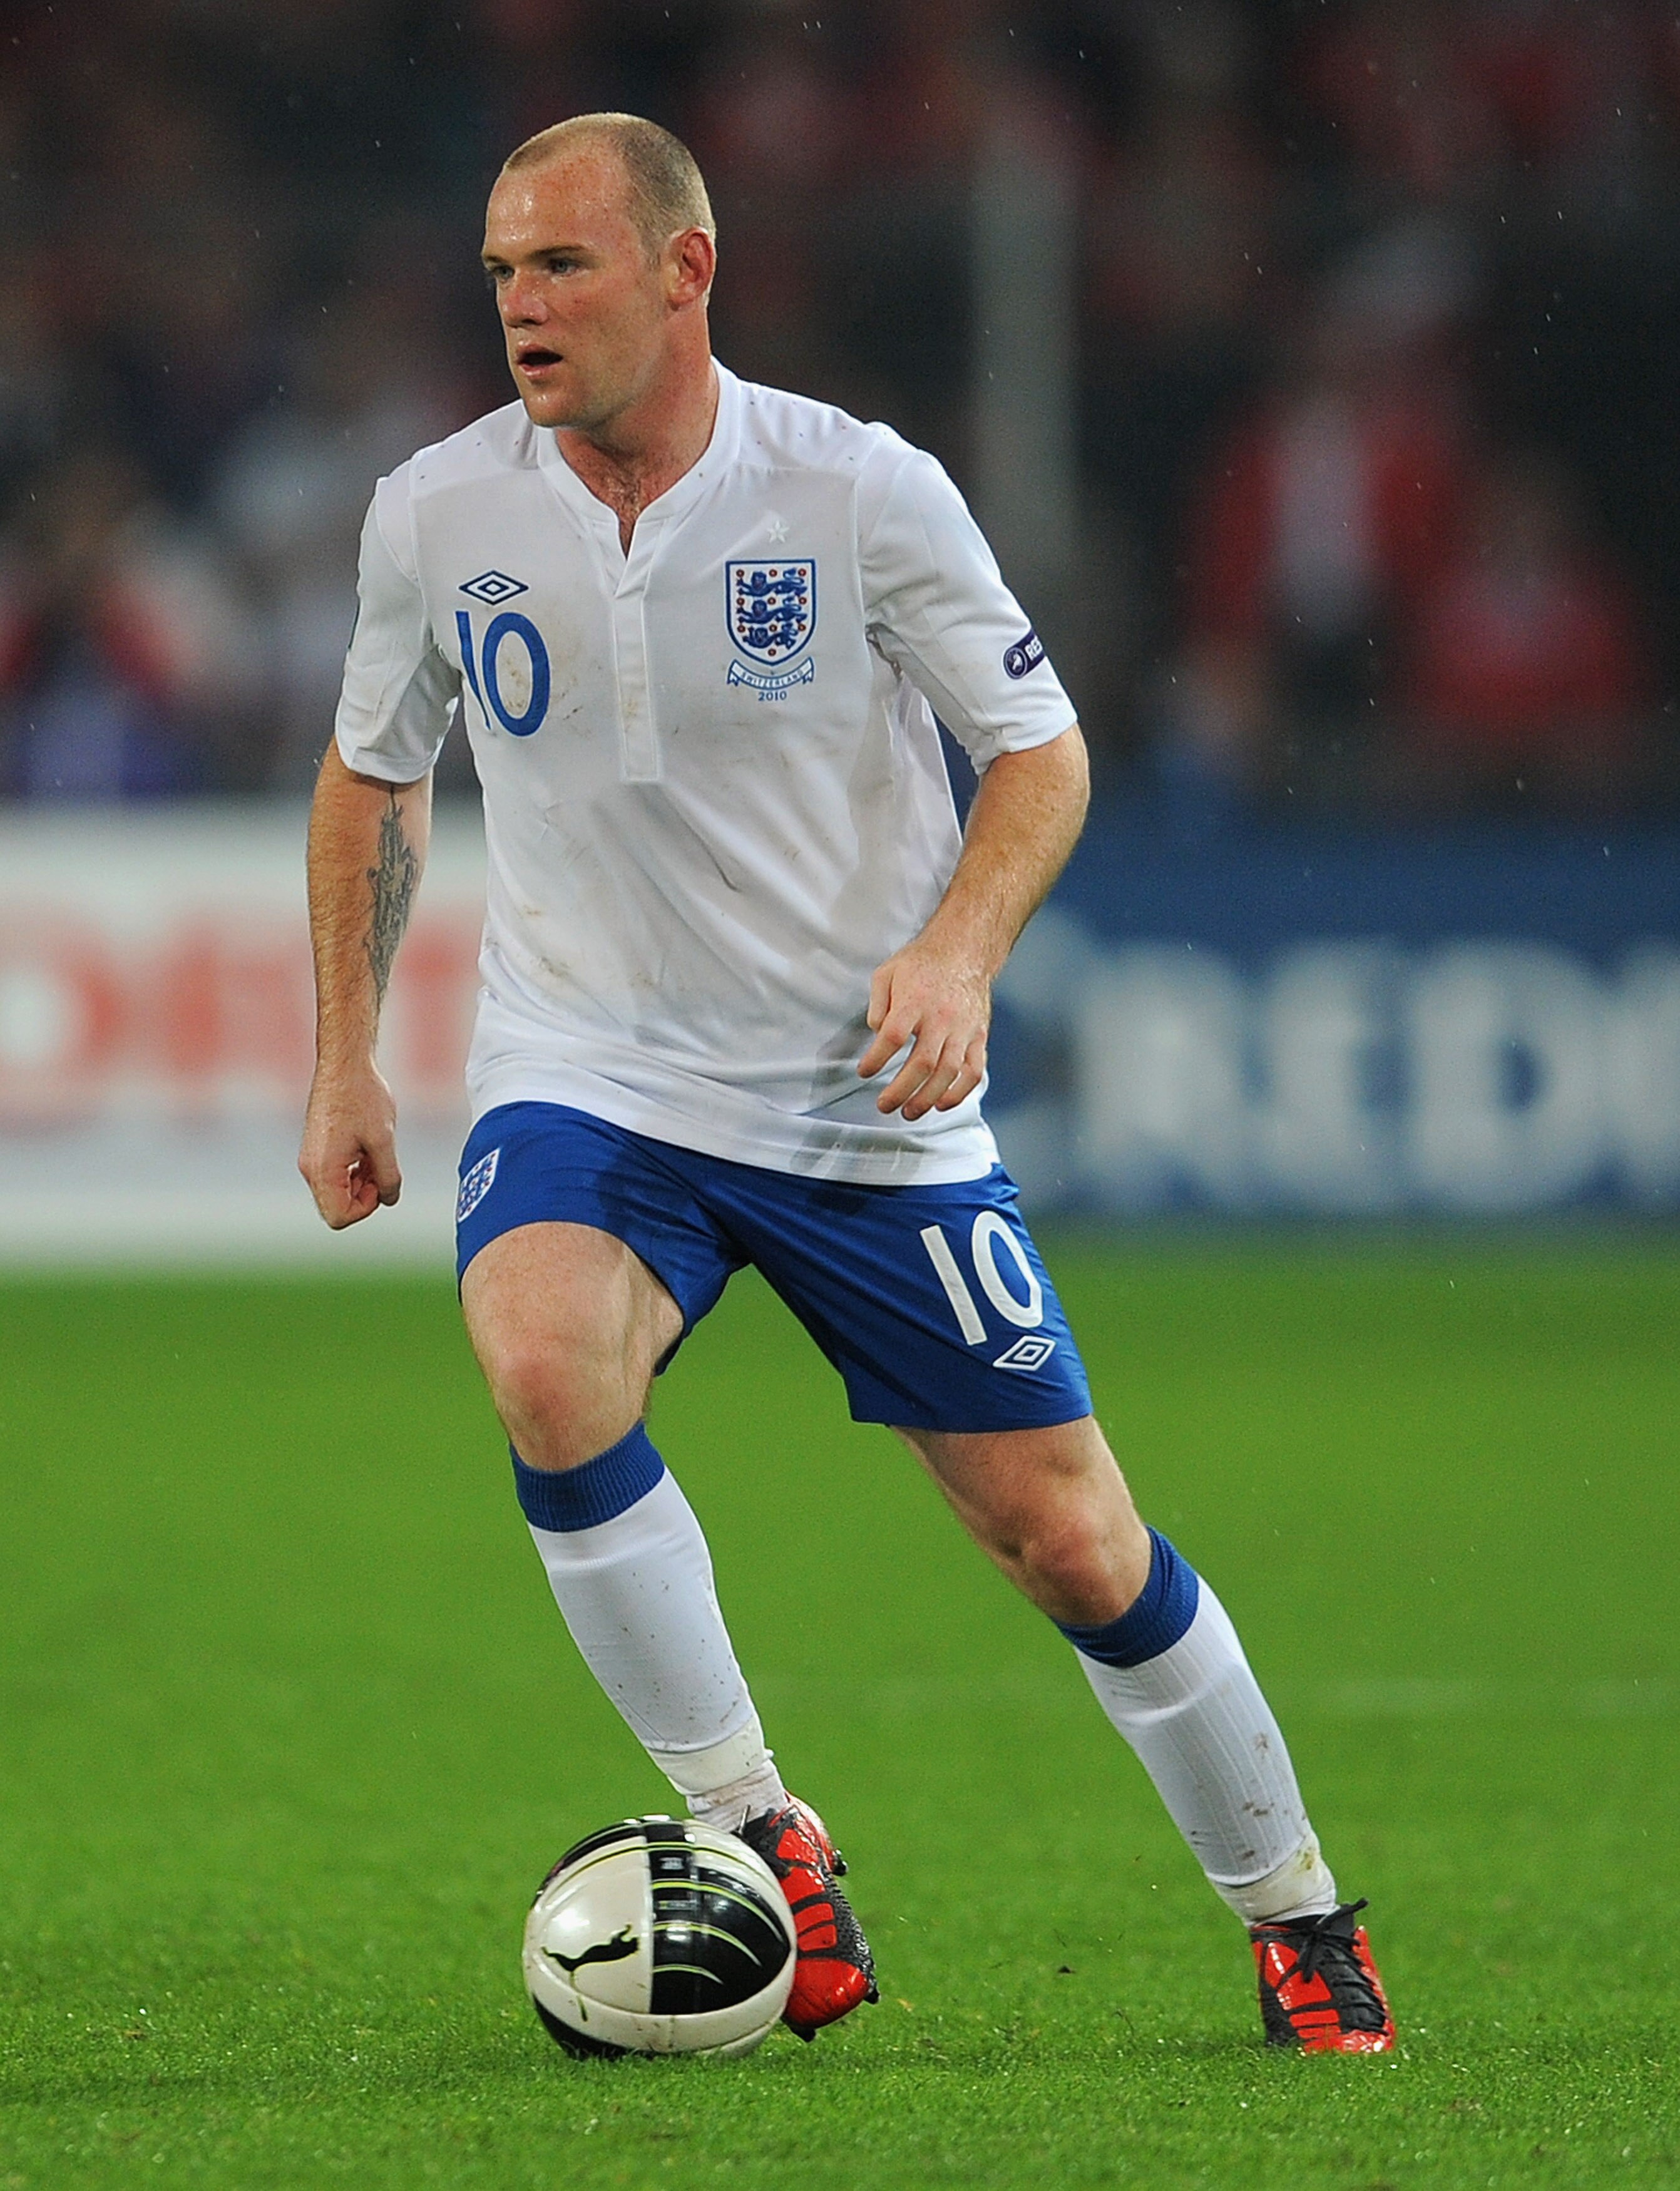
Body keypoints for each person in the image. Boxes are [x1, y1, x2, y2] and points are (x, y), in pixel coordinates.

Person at [299, 112, 1394, 2055]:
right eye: (496, 271)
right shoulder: (436, 512)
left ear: (682, 270)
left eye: (558, 265)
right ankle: (760, 1837)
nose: (519, 307)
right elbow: (375, 771)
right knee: (544, 1359)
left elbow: (1038, 753)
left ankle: (1294, 1907)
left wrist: (956, 950)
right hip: (596, 1067)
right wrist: (343, 1051)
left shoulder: (862, 491)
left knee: (1071, 1541)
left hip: (854, 1103)